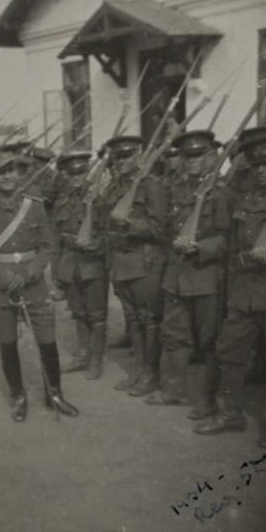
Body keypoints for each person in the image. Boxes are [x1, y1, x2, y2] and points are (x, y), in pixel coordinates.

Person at [0, 148, 79, 422]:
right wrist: (5, 278)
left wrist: (29, 274)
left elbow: (46, 246)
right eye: (0, 172)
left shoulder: (35, 205)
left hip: (33, 286)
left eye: (11, 171)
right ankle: (18, 396)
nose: (7, 177)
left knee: (47, 341)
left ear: (19, 174)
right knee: (8, 342)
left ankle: (54, 394)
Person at [146, 130, 233, 418]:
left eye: (198, 155)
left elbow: (225, 238)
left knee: (210, 341)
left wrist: (199, 248)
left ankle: (208, 399)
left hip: (205, 276)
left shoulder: (221, 194)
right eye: (187, 156)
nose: (191, 161)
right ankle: (174, 389)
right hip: (176, 276)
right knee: (173, 335)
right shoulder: (175, 191)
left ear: (211, 157)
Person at [195, 131, 266, 448]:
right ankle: (231, 416)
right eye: (257, 166)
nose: (262, 171)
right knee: (230, 355)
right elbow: (231, 246)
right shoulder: (247, 198)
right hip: (245, 293)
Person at [105, 135, 167, 396]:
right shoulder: (113, 188)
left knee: (149, 319)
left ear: (139, 156)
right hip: (121, 262)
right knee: (132, 319)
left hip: (144, 261)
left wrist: (129, 225)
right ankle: (139, 370)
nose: (121, 162)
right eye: (117, 157)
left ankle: (151, 374)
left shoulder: (151, 185)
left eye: (127, 156)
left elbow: (160, 229)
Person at [53, 152, 108, 380]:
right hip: (69, 264)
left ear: (87, 173)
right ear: (65, 175)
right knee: (78, 313)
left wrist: (96, 246)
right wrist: (57, 275)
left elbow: (108, 233)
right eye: (72, 173)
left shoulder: (100, 200)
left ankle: (96, 360)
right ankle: (83, 355)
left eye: (81, 172)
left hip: (92, 264)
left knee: (96, 315)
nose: (76, 177)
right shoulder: (61, 202)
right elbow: (55, 240)